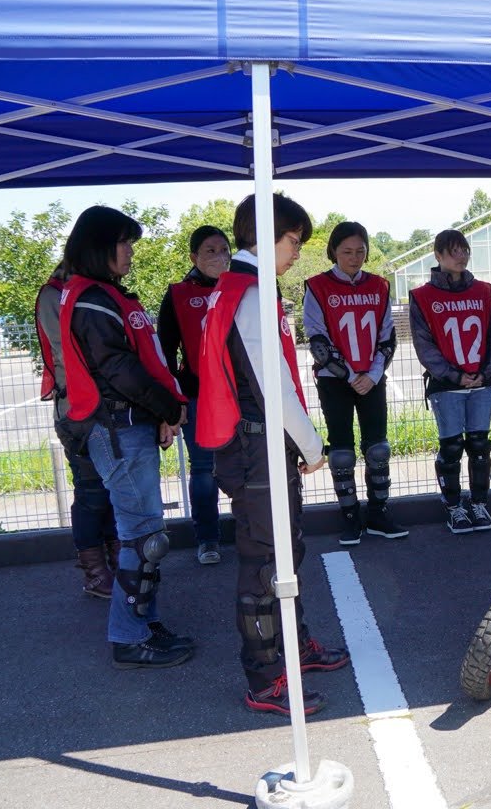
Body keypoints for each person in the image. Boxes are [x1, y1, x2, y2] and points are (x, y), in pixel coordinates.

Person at [197, 194, 348, 716]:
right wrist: (311, 444)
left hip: (253, 444)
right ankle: (265, 678)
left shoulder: (234, 286)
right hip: (257, 445)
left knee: (285, 555)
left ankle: (293, 649)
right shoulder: (251, 291)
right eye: (292, 241)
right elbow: (275, 387)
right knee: (266, 565)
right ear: (266, 234)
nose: (296, 254)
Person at [56, 206, 194, 670]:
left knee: (146, 537)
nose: (130, 251)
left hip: (129, 425)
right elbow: (118, 369)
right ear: (98, 246)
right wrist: (169, 408)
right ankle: (128, 637)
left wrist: (162, 411)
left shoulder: (107, 295)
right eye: (123, 242)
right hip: (116, 428)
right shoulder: (92, 300)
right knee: (142, 540)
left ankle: (144, 624)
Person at [303, 221, 406, 547]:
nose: (354, 256)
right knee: (342, 452)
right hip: (336, 380)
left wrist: (372, 375)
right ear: (333, 251)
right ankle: (350, 517)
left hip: (371, 379)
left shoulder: (379, 285)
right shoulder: (317, 286)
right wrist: (349, 375)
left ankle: (378, 513)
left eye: (360, 250)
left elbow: (387, 337)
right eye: (347, 251)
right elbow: (317, 340)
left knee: (378, 449)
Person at [409, 229, 491, 534]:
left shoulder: (485, 291)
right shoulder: (422, 297)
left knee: (479, 446)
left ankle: (479, 503)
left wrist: (486, 372)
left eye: (464, 250)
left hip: (482, 382)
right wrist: (454, 375)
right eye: (453, 251)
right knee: (451, 447)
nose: (461, 257)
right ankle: (453, 506)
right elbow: (424, 345)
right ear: (437, 255)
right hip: (446, 385)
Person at [36, 266, 121, 598]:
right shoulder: (54, 294)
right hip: (78, 410)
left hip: (103, 407)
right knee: (91, 493)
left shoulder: (94, 290)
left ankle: (117, 560)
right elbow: (69, 352)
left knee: (111, 489)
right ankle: (95, 572)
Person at [157, 226, 231, 565]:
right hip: (198, 394)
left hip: (240, 394)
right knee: (203, 469)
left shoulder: (244, 288)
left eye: (223, 249)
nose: (218, 256)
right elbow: (166, 353)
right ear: (194, 257)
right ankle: (208, 539)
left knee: (247, 466)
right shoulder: (177, 294)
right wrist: (175, 401)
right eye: (209, 250)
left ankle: (253, 531)